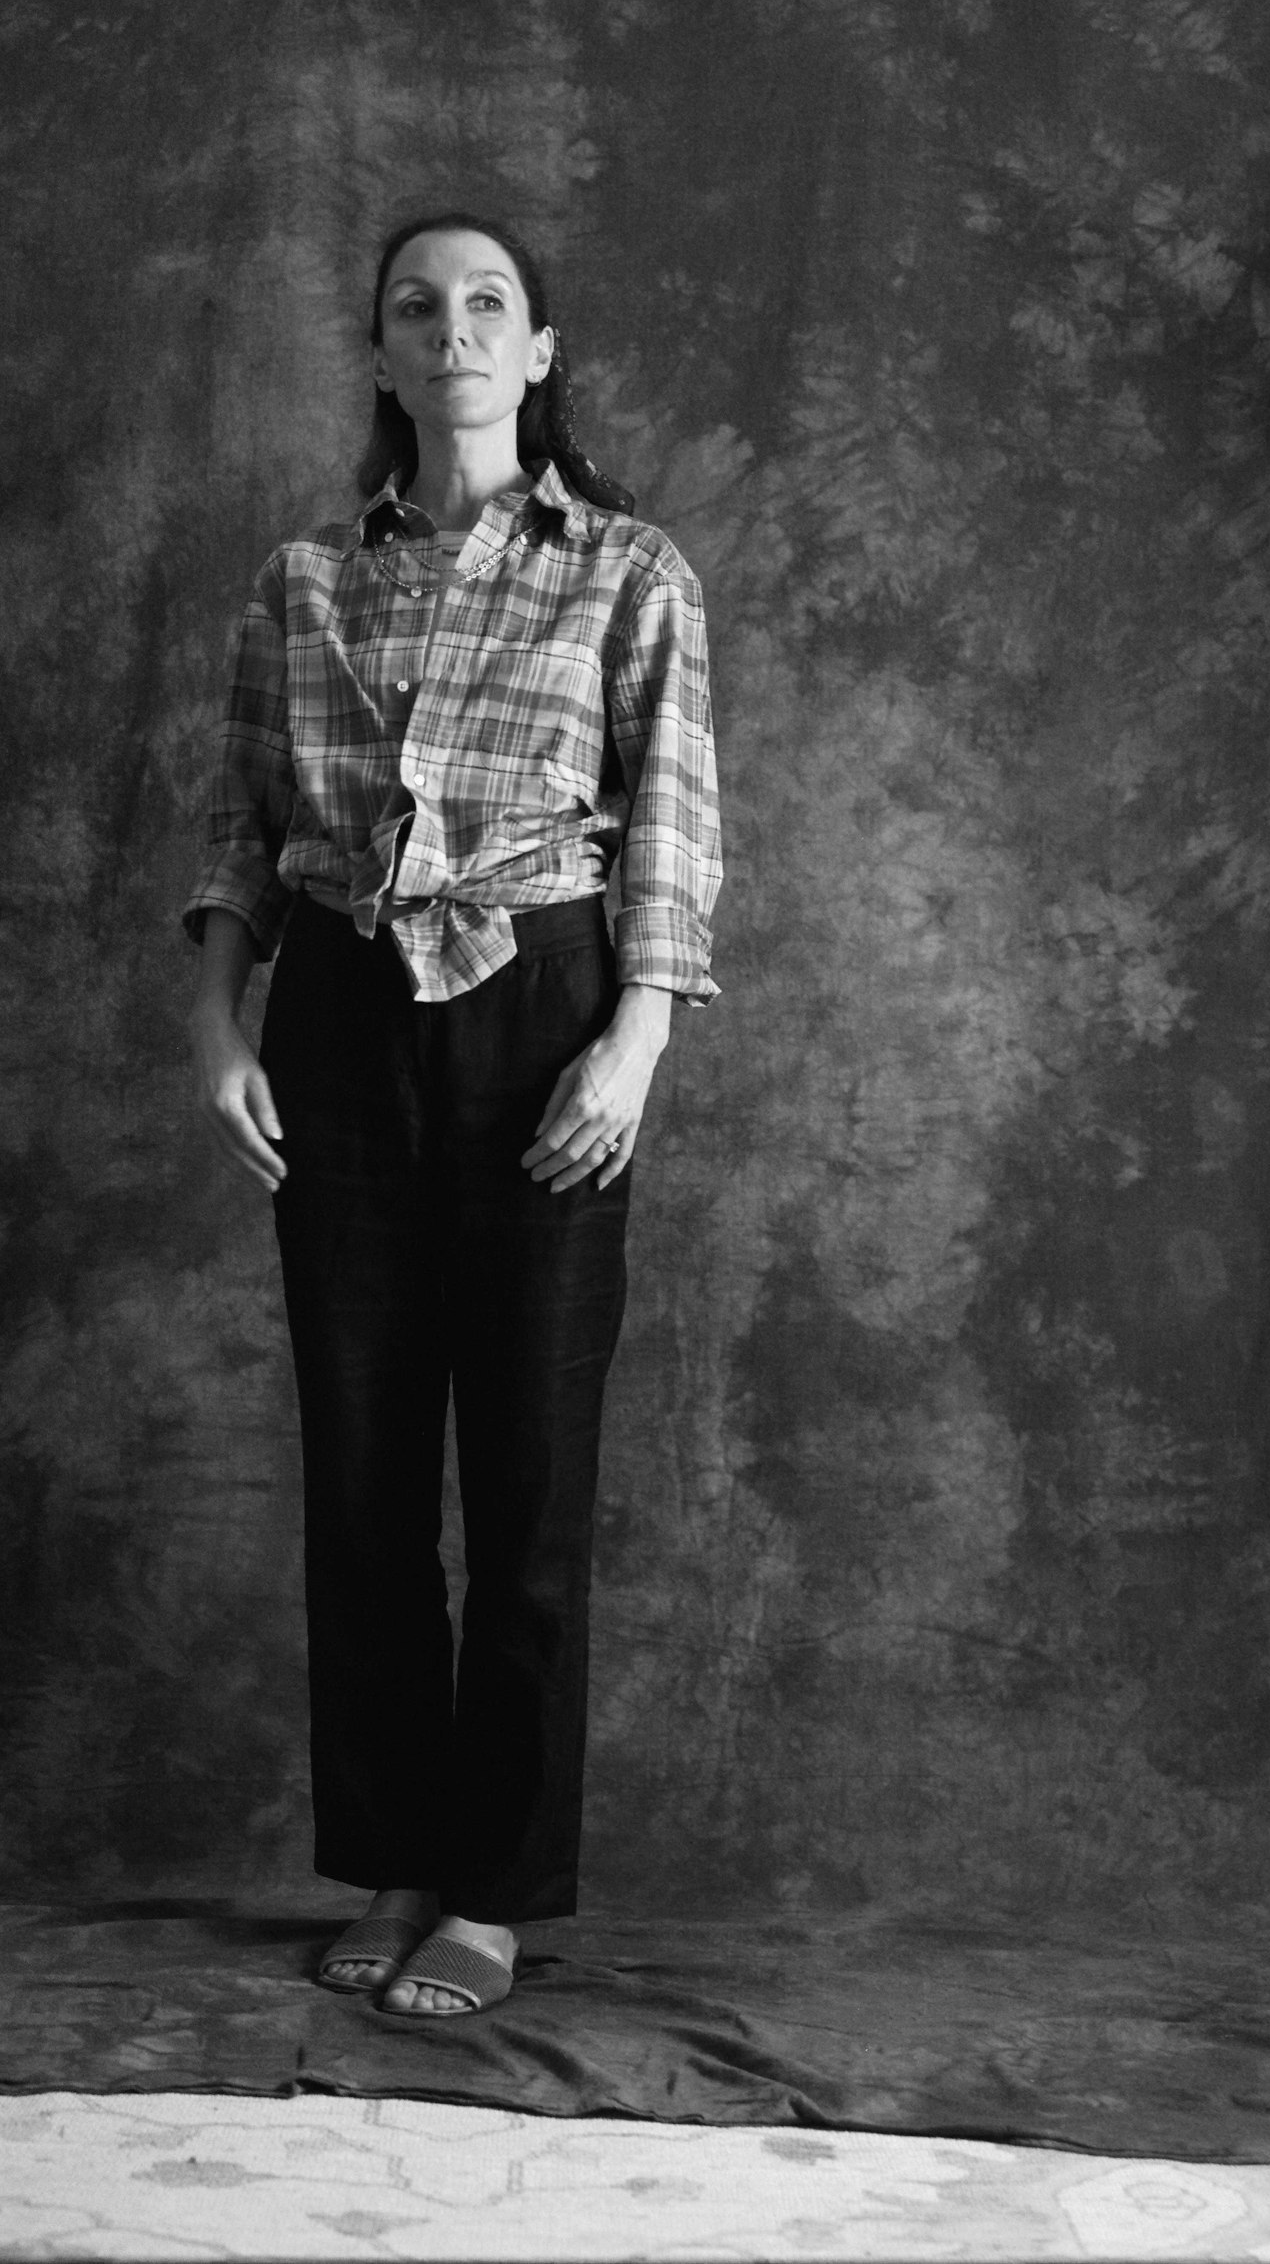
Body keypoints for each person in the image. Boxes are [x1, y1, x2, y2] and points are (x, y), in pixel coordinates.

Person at [183, 211, 721, 2017]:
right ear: (382, 353)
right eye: (418, 306)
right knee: (362, 1479)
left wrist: (631, 1044)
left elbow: (672, 830)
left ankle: (491, 1891)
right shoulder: (301, 583)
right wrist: (217, 1022)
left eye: (490, 303)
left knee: (529, 1478)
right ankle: (401, 1856)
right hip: (339, 1024)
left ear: (540, 349)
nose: (455, 328)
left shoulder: (630, 571)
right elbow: (241, 824)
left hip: (543, 1016)